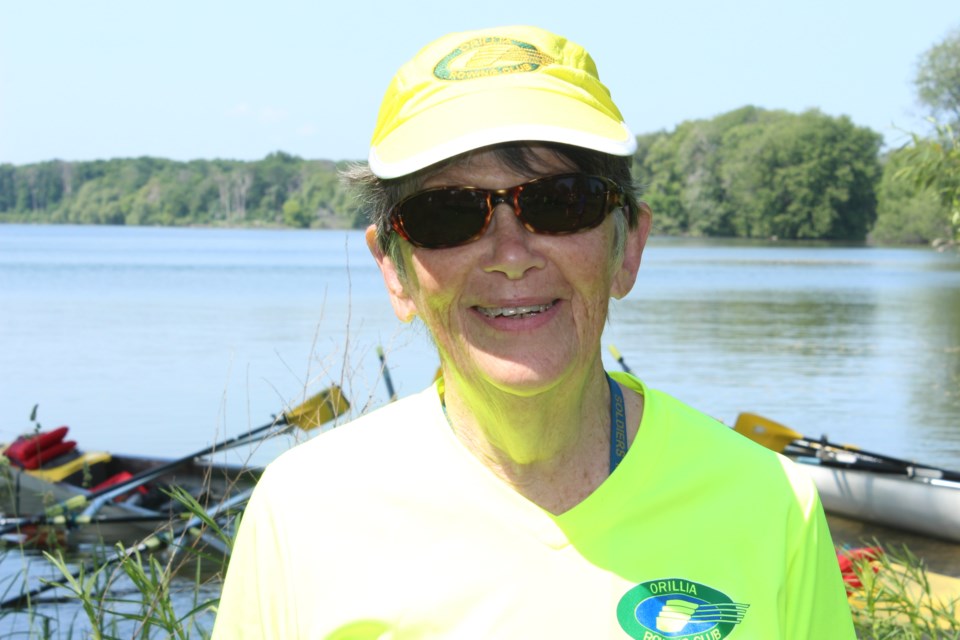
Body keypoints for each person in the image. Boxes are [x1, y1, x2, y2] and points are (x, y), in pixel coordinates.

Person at [213, 25, 855, 639]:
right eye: (447, 213)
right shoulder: (304, 510)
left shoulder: (770, 501)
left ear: (629, 245)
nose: (511, 253)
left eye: (560, 202)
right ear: (394, 270)